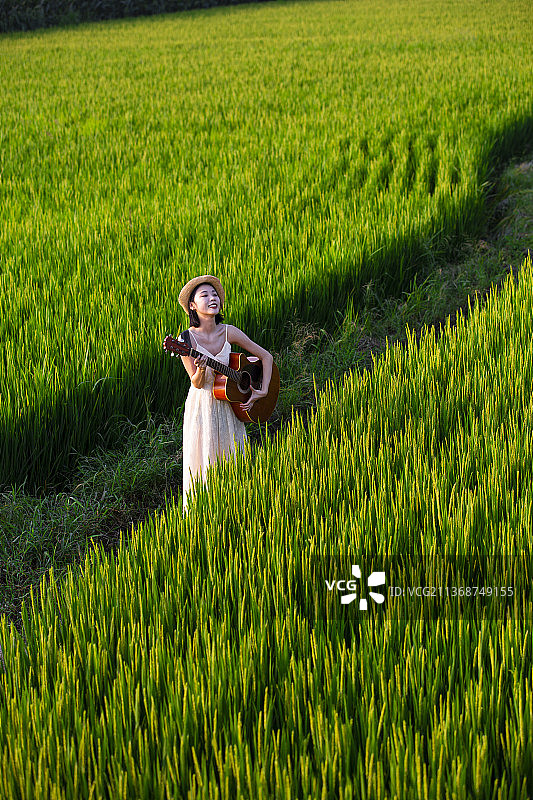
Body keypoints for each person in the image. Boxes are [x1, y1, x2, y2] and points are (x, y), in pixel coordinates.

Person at [178, 275, 274, 514]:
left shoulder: (229, 331)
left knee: (233, 461)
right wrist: (201, 369)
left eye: (215, 294)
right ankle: (204, 515)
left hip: (230, 405)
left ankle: (237, 511)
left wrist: (262, 390)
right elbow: (196, 383)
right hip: (202, 407)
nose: (213, 298)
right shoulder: (185, 340)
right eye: (205, 295)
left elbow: (266, 357)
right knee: (205, 462)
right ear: (192, 306)